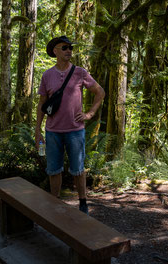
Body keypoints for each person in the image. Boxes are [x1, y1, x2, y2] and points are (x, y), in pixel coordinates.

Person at [35, 35, 105, 214]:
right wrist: (37, 131)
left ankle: (82, 203)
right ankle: (55, 203)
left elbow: (100, 92)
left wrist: (90, 113)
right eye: (64, 48)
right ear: (55, 51)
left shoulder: (80, 72)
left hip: (75, 131)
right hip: (52, 132)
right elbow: (42, 104)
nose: (69, 51)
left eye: (70, 48)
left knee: (78, 169)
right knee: (53, 170)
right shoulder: (47, 75)